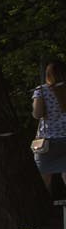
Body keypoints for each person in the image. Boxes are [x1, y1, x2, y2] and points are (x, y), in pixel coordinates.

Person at [34, 60, 66, 203]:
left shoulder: (41, 90)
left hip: (47, 141)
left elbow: (37, 114)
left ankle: (45, 209)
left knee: (43, 179)